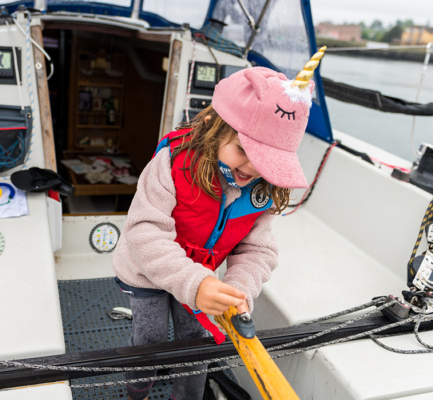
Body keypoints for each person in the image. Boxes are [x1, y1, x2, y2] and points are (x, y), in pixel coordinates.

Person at [112, 48, 325, 400]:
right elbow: (145, 233)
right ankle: (138, 393)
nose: (253, 170)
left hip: (202, 277)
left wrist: (238, 288)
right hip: (145, 271)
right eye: (243, 150)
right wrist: (195, 284)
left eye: (266, 161)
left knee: (197, 343)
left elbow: (256, 248)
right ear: (212, 126)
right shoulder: (171, 163)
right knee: (148, 340)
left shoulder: (262, 188)